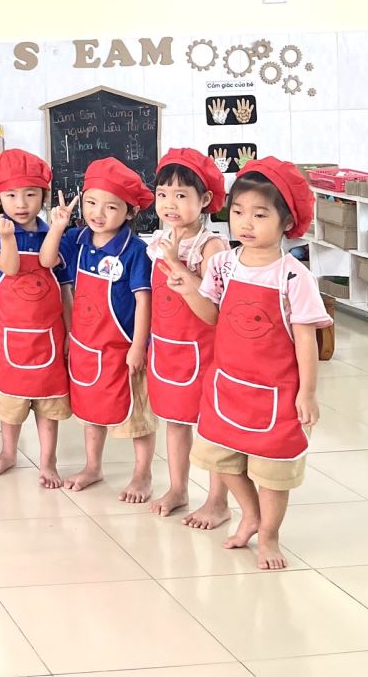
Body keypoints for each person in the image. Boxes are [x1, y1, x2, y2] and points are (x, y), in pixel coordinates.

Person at [163, 157, 328, 570]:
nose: (245, 223)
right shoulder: (224, 264)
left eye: (259, 214)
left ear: (287, 221)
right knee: (220, 458)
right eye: (237, 212)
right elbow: (212, 316)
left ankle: (269, 535)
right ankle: (249, 514)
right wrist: (187, 289)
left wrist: (307, 393)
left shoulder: (294, 277)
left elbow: (306, 340)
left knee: (272, 472)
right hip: (228, 385)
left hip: (277, 393)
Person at [47, 158, 155, 502]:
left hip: (123, 348)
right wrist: (58, 227)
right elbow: (47, 260)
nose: (98, 213)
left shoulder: (135, 251)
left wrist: (138, 346)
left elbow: (143, 301)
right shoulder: (77, 239)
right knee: (90, 409)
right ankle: (93, 466)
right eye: (91, 202)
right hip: (86, 344)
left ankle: (142, 474)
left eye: (111, 206)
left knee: (136, 415)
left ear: (130, 211)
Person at [146, 148, 231, 526]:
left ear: (205, 199)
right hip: (167, 347)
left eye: (181, 195)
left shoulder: (212, 247)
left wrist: (176, 264)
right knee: (174, 420)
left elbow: (213, 309)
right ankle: (178, 488)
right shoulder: (159, 240)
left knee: (211, 426)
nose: (170, 203)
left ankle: (218, 501)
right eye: (163, 194)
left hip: (205, 350)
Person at [0, 149, 72, 488]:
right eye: (11, 195)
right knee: (11, 400)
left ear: (44, 196)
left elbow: (59, 280)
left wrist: (71, 332)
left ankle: (48, 461)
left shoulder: (53, 234)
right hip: (7, 334)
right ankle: (8, 453)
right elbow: (11, 267)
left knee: (48, 401)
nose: (21, 204)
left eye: (31, 194)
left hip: (49, 334)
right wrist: (7, 238)